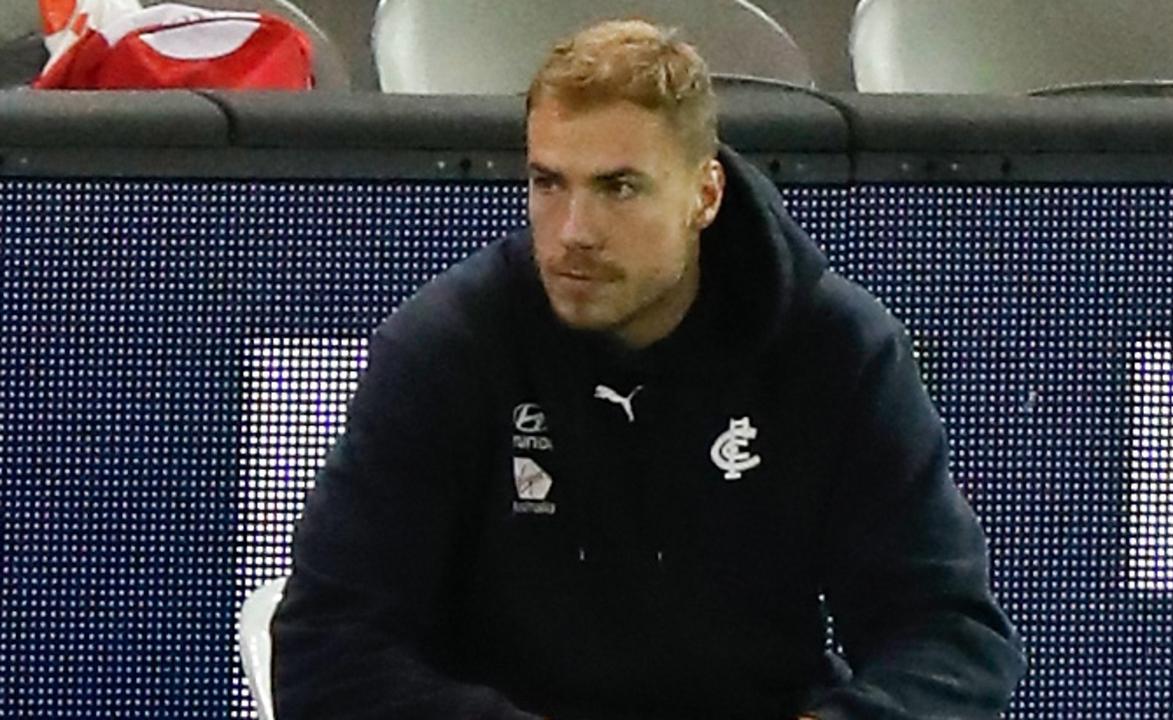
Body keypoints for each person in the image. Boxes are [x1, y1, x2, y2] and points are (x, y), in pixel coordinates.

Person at [271, 19, 1026, 720]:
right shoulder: (445, 349)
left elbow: (950, 636)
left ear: (704, 194)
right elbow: (326, 651)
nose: (573, 233)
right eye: (547, 182)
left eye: (618, 188)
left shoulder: (835, 347)